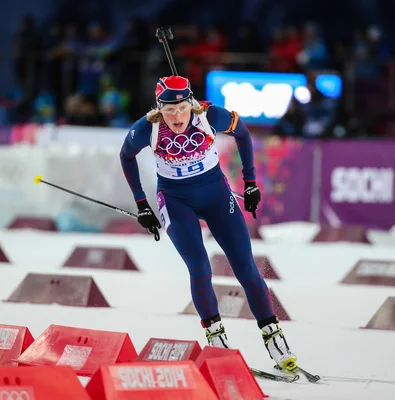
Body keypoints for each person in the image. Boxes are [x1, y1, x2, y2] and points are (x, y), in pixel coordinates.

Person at [119, 75, 297, 372]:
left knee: (245, 267)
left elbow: (243, 134)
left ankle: (274, 338)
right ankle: (218, 342)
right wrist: (141, 204)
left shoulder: (210, 115)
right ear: (158, 108)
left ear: (190, 103)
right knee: (200, 266)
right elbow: (126, 157)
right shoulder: (145, 128)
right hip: (176, 201)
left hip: (216, 195)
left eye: (180, 108)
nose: (175, 116)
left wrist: (250, 183)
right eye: (168, 109)